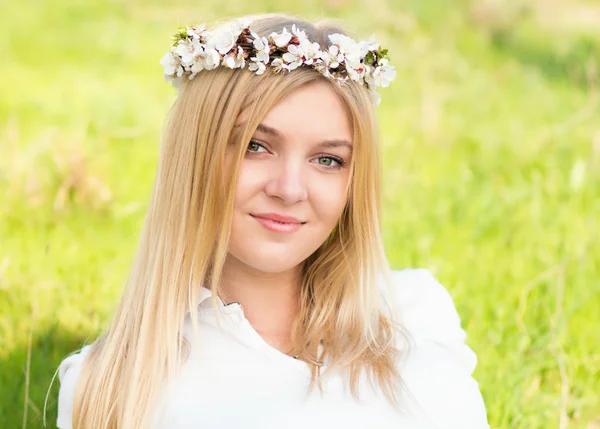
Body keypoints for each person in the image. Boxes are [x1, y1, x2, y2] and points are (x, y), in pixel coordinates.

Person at [55, 13, 490, 429]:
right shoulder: (114, 387)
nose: (289, 189)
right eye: (255, 147)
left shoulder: (416, 311)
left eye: (327, 159)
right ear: (195, 156)